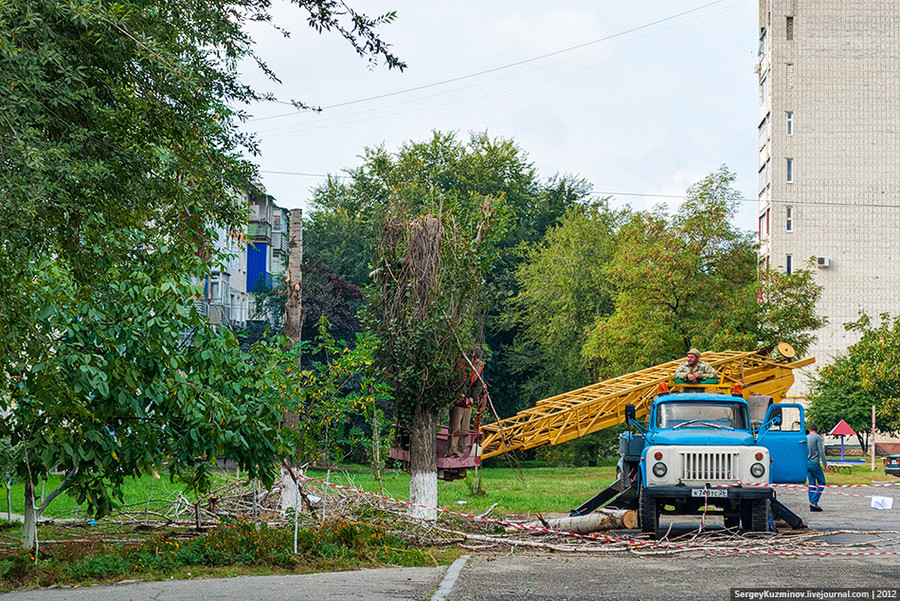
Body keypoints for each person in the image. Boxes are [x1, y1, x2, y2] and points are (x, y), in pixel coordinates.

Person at [807, 423, 827, 511]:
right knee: (822, 482)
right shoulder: (817, 437)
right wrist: (825, 464)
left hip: (807, 463)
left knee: (811, 483)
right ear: (817, 430)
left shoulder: (806, 437)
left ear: (809, 430)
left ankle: (812, 505)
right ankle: (814, 502)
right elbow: (821, 451)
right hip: (815, 462)